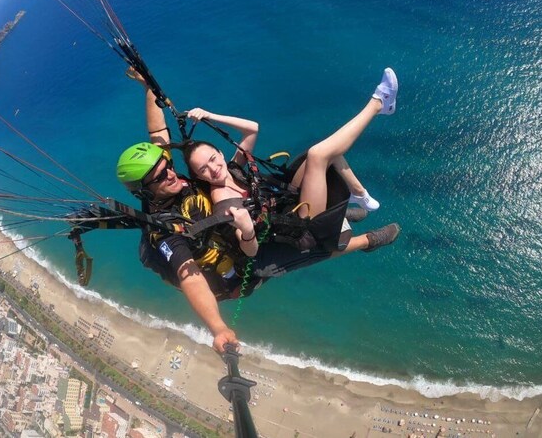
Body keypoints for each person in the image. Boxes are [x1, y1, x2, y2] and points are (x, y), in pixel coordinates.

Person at [116, 70, 400, 353]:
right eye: (160, 177)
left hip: (265, 221)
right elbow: (190, 277)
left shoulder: (184, 180)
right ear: (146, 189)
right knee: (320, 239)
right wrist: (218, 328)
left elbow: (158, 135)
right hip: (249, 261)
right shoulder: (165, 232)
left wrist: (147, 88)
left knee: (317, 157)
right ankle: (367, 240)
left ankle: (347, 207)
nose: (170, 174)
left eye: (167, 167)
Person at [183, 68, 399, 251]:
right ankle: (378, 104)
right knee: (319, 154)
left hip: (289, 200)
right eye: (203, 169)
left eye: (213, 158)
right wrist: (247, 231)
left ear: (220, 153)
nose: (213, 169)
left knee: (327, 149)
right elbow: (249, 251)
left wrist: (210, 116)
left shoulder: (232, 169)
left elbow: (252, 129)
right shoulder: (223, 205)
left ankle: (358, 193)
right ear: (198, 176)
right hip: (302, 227)